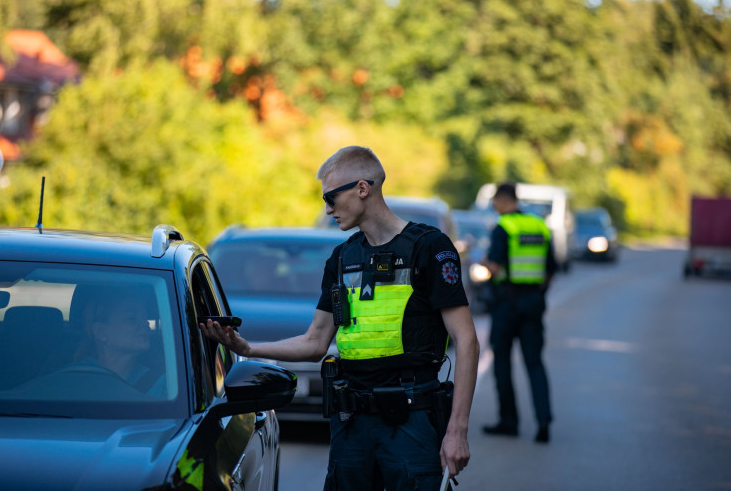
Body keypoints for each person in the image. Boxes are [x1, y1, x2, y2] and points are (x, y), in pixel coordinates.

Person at [201, 145, 479, 490]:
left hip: (412, 421)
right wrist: (249, 347)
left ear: (363, 188)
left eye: (332, 197)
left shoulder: (429, 248)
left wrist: (457, 430)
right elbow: (315, 342)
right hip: (351, 426)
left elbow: (467, 341)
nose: (328, 208)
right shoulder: (342, 257)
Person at [481, 182, 555, 443]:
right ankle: (543, 422)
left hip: (506, 305)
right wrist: (536, 294)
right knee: (534, 363)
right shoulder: (540, 226)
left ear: (503, 199)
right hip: (533, 302)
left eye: (494, 201)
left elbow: (495, 267)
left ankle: (508, 422)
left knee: (502, 362)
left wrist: (486, 265)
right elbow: (550, 270)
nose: (493, 206)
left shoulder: (503, 229)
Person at [73, 289, 166, 396]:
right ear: (101, 332)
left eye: (145, 318)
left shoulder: (163, 385)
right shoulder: (73, 378)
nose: (145, 324)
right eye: (131, 318)